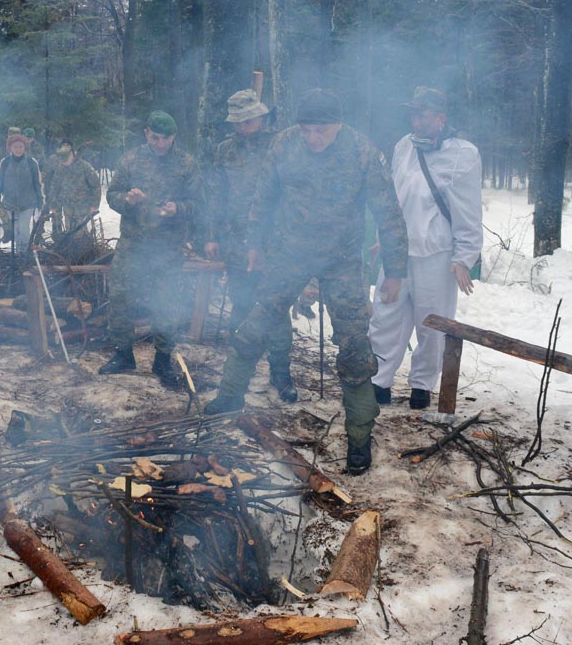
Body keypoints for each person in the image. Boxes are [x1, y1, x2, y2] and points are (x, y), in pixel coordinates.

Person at [203, 90, 408, 476]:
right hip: (288, 251)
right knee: (258, 322)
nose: (313, 139)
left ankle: (360, 437)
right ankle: (229, 395)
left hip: (342, 258)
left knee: (353, 345)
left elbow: (388, 212)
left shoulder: (363, 152)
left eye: (321, 132)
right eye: (307, 131)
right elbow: (264, 198)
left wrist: (395, 270)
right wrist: (256, 245)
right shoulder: (284, 144)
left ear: (339, 125)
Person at [366, 87, 482, 410]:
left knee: (431, 323)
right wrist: (381, 237)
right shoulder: (404, 147)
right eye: (413, 114)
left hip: (436, 254)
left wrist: (463, 257)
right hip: (397, 250)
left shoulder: (463, 154)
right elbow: (392, 199)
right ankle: (379, 380)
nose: (416, 121)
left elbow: (468, 210)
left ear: (441, 118)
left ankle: (421, 385)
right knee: (386, 315)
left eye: (423, 114)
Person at [204, 88, 297, 404]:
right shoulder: (224, 151)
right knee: (241, 306)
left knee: (275, 309)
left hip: (273, 242)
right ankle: (237, 379)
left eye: (249, 120)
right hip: (236, 242)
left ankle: (281, 374)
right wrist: (212, 235)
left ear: (260, 116)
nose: (243, 127)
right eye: (238, 122)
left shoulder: (280, 147)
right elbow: (216, 196)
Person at [98, 111, 204, 388]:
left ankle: (163, 360)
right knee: (120, 297)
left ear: (174, 137)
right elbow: (112, 196)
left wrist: (178, 208)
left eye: (165, 139)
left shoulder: (186, 163)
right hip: (133, 243)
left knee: (167, 302)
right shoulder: (130, 160)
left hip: (168, 247)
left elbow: (198, 203)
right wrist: (128, 200)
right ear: (146, 133)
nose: (159, 144)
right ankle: (123, 355)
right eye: (154, 137)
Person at [0, 131, 44, 250]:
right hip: (10, 204)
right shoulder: (5, 162)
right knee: (16, 232)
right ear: (10, 147)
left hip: (28, 204)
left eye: (21, 147)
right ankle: (18, 254)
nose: (18, 149)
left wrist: (40, 203)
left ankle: (24, 256)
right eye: (15, 147)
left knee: (23, 230)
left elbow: (38, 184)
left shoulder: (31, 163)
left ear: (25, 147)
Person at [44, 139, 101, 235]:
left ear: (73, 154)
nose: (65, 163)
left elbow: (96, 186)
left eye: (66, 159)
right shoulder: (60, 168)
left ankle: (83, 247)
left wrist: (94, 205)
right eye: (63, 161)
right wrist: (53, 206)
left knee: (80, 232)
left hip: (82, 206)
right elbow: (54, 188)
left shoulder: (85, 167)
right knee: (70, 232)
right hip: (67, 206)